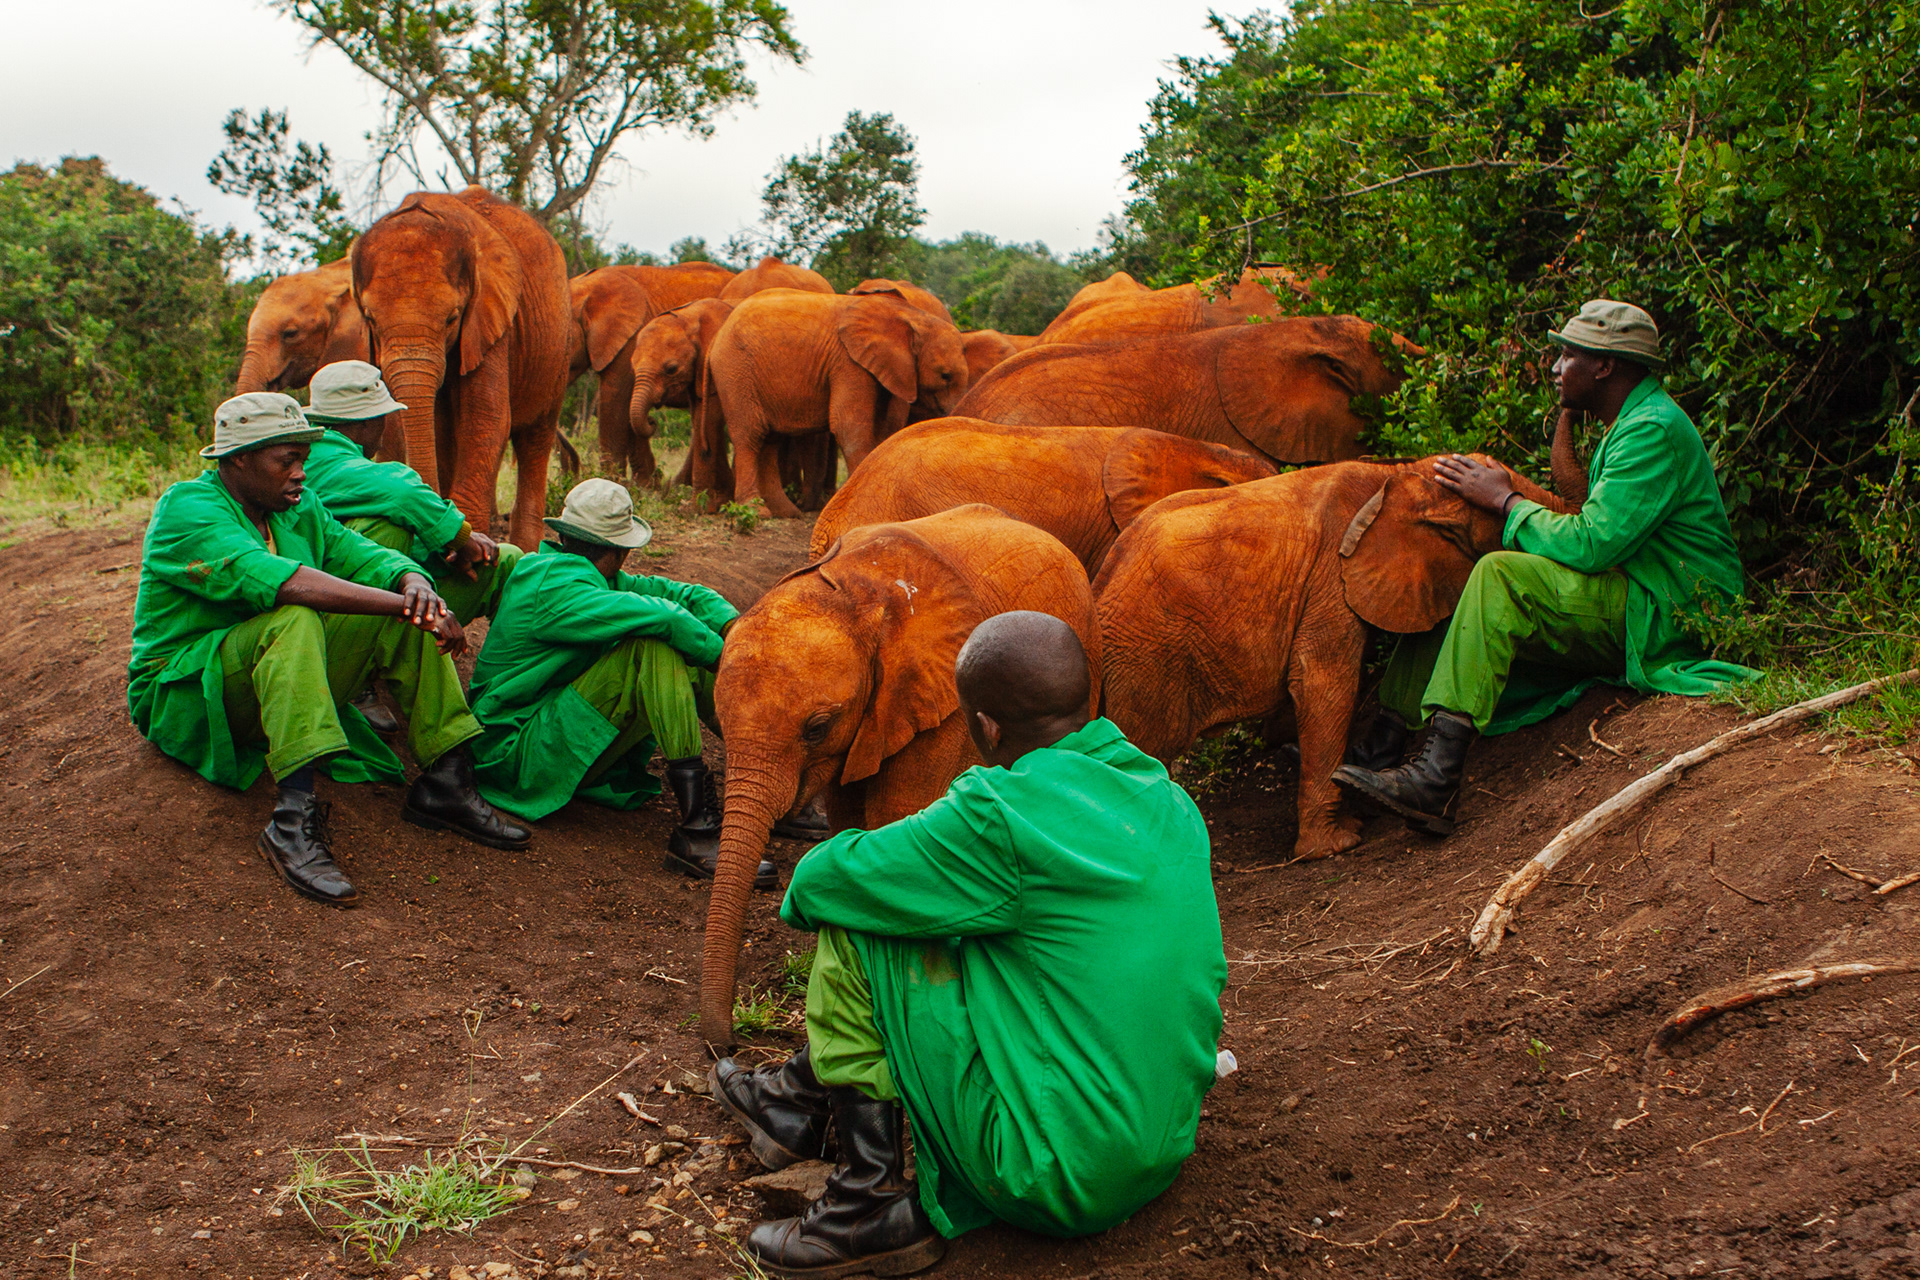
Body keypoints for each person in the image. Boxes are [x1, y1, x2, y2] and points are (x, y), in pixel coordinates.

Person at [709, 611, 1227, 1278]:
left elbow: (818, 882)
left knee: (862, 917)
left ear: (983, 725)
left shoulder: (1002, 813)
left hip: (1054, 1172)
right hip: (1157, 1150)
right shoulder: (1167, 799)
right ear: (1084, 698)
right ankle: (793, 1100)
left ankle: (863, 1204)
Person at [1335, 300, 1759, 835]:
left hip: (1667, 609)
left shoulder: (1652, 431)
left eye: (1567, 355)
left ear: (1603, 367)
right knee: (1464, 580)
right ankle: (1383, 744)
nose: (1557, 368)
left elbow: (1591, 544)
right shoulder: (1629, 423)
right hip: (1636, 589)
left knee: (1498, 575)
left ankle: (1436, 778)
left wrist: (1506, 502)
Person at [128, 392, 532, 908]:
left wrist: (414, 583)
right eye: (287, 460)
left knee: (401, 605)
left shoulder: (296, 508)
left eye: (304, 459)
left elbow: (360, 553)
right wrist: (400, 603)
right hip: (191, 692)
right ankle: (292, 819)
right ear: (238, 458)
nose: (301, 473)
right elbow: (282, 583)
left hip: (269, 680)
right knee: (297, 616)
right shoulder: (187, 509)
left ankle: (448, 777)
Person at [465, 478, 775, 886]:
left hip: (549, 740)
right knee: (653, 645)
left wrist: (736, 628)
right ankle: (698, 830)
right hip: (513, 755)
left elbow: (683, 596)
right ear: (619, 550)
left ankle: (770, 776)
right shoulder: (554, 586)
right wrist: (730, 661)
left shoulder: (594, 578)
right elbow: (666, 617)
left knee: (676, 636)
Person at [299, 360, 522, 734]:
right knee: (388, 528)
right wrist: (461, 536)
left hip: (367, 607)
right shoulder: (314, 459)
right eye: (384, 417)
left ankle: (498, 693)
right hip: (331, 630)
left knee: (504, 560)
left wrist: (440, 550)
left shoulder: (341, 467)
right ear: (368, 423)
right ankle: (359, 681)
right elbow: (400, 491)